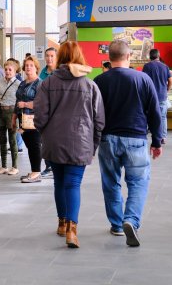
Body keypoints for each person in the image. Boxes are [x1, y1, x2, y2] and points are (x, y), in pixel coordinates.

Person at [34, 41, 105, 248]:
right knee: (73, 184)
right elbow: (99, 120)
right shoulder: (89, 85)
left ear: (60, 57)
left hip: (53, 142)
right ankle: (72, 231)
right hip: (80, 142)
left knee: (58, 182)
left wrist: (46, 133)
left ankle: (61, 223)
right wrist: (93, 145)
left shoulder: (47, 83)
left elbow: (39, 116)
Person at [94, 40, 163, 247]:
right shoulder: (142, 79)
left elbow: (93, 114)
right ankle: (131, 220)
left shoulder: (99, 81)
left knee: (110, 182)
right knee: (138, 182)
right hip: (136, 139)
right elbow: (154, 112)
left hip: (107, 140)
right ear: (129, 56)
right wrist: (157, 140)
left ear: (109, 58)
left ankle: (116, 224)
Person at [13, 56, 43, 183]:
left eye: (31, 65)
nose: (28, 67)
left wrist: (25, 105)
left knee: (35, 145)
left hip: (34, 120)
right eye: (26, 65)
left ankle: (36, 172)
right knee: (30, 146)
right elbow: (17, 101)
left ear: (36, 68)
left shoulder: (39, 83)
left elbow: (41, 103)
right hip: (22, 119)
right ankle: (34, 170)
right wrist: (14, 117)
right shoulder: (23, 83)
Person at [0, 60, 20, 175]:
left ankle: (15, 166)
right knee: (2, 140)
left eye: (10, 69)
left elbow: (19, 101)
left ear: (15, 71)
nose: (7, 71)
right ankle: (4, 166)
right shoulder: (0, 82)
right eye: (6, 69)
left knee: (12, 140)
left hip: (12, 113)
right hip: (0, 113)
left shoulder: (18, 84)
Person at [142, 49, 172, 144]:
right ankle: (162, 137)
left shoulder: (147, 66)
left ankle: (145, 134)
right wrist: (167, 89)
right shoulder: (165, 66)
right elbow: (171, 80)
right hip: (162, 95)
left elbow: (144, 81)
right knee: (163, 117)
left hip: (150, 96)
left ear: (150, 56)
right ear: (158, 56)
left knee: (148, 115)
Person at [38, 47, 57, 178]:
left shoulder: (59, 73)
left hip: (57, 112)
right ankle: (48, 166)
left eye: (52, 56)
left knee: (56, 140)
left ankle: (56, 166)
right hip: (45, 111)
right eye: (47, 56)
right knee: (43, 140)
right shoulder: (42, 74)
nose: (49, 58)